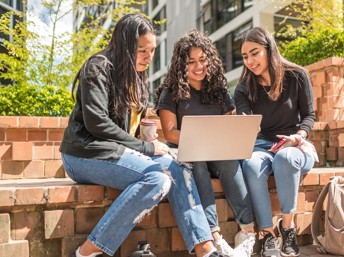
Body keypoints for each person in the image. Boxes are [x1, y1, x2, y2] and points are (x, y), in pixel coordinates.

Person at [60, 14, 223, 257]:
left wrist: (148, 138)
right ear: (125, 46)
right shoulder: (98, 67)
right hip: (83, 155)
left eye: (152, 50)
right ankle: (86, 252)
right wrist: (145, 149)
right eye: (142, 50)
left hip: (118, 152)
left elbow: (129, 127)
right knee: (156, 180)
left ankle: (205, 249)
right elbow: (97, 124)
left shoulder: (136, 75)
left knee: (180, 167)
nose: (149, 57)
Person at [154, 29, 256, 257]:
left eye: (203, 59)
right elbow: (170, 133)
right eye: (192, 62)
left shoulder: (219, 89)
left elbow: (231, 121)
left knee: (230, 161)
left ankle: (247, 231)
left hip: (218, 150)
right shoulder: (171, 92)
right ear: (182, 65)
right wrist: (198, 138)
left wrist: (238, 127)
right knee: (197, 162)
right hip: (190, 151)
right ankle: (215, 236)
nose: (199, 66)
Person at [234, 26, 316, 257]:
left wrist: (298, 137)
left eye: (255, 52)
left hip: (295, 145)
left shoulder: (297, 76)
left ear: (269, 49)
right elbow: (245, 121)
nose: (249, 60)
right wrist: (246, 124)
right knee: (250, 164)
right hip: (263, 146)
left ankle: (288, 228)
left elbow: (309, 116)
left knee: (285, 157)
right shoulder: (243, 88)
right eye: (245, 56)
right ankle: (268, 234)